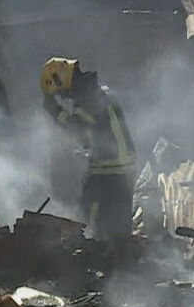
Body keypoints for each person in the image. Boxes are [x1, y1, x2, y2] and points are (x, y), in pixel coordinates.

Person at [40, 58, 136, 246]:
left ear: (60, 82)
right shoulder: (97, 91)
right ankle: (120, 259)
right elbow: (95, 132)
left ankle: (87, 253)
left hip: (109, 170)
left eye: (60, 93)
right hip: (124, 169)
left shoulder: (87, 97)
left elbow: (77, 127)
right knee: (118, 230)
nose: (64, 97)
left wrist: (55, 110)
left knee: (87, 220)